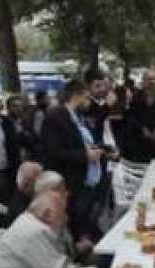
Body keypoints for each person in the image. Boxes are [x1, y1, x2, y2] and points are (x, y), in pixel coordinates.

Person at [40, 79, 113, 243]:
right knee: (77, 229)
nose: (89, 102)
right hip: (72, 184)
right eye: (86, 98)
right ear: (75, 96)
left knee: (88, 227)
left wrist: (104, 151)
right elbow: (53, 153)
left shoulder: (79, 117)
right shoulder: (55, 117)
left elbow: (85, 143)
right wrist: (85, 156)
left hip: (89, 183)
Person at [130, 69, 155, 161]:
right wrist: (142, 128)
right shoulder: (135, 97)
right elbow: (131, 117)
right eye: (149, 79)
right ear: (143, 81)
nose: (151, 82)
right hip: (139, 142)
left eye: (153, 79)